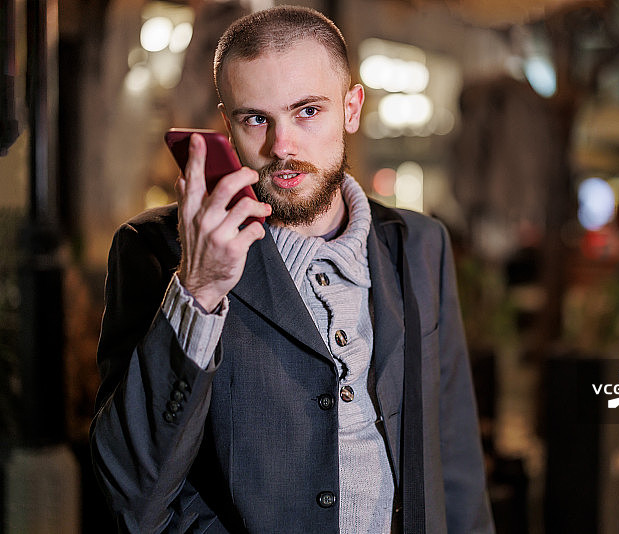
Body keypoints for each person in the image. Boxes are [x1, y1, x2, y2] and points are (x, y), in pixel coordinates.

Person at [90, 5, 493, 533]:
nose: (282, 147)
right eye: (256, 118)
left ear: (351, 109)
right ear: (227, 123)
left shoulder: (420, 244)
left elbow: (453, 460)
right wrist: (198, 292)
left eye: (307, 111)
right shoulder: (157, 250)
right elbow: (129, 495)